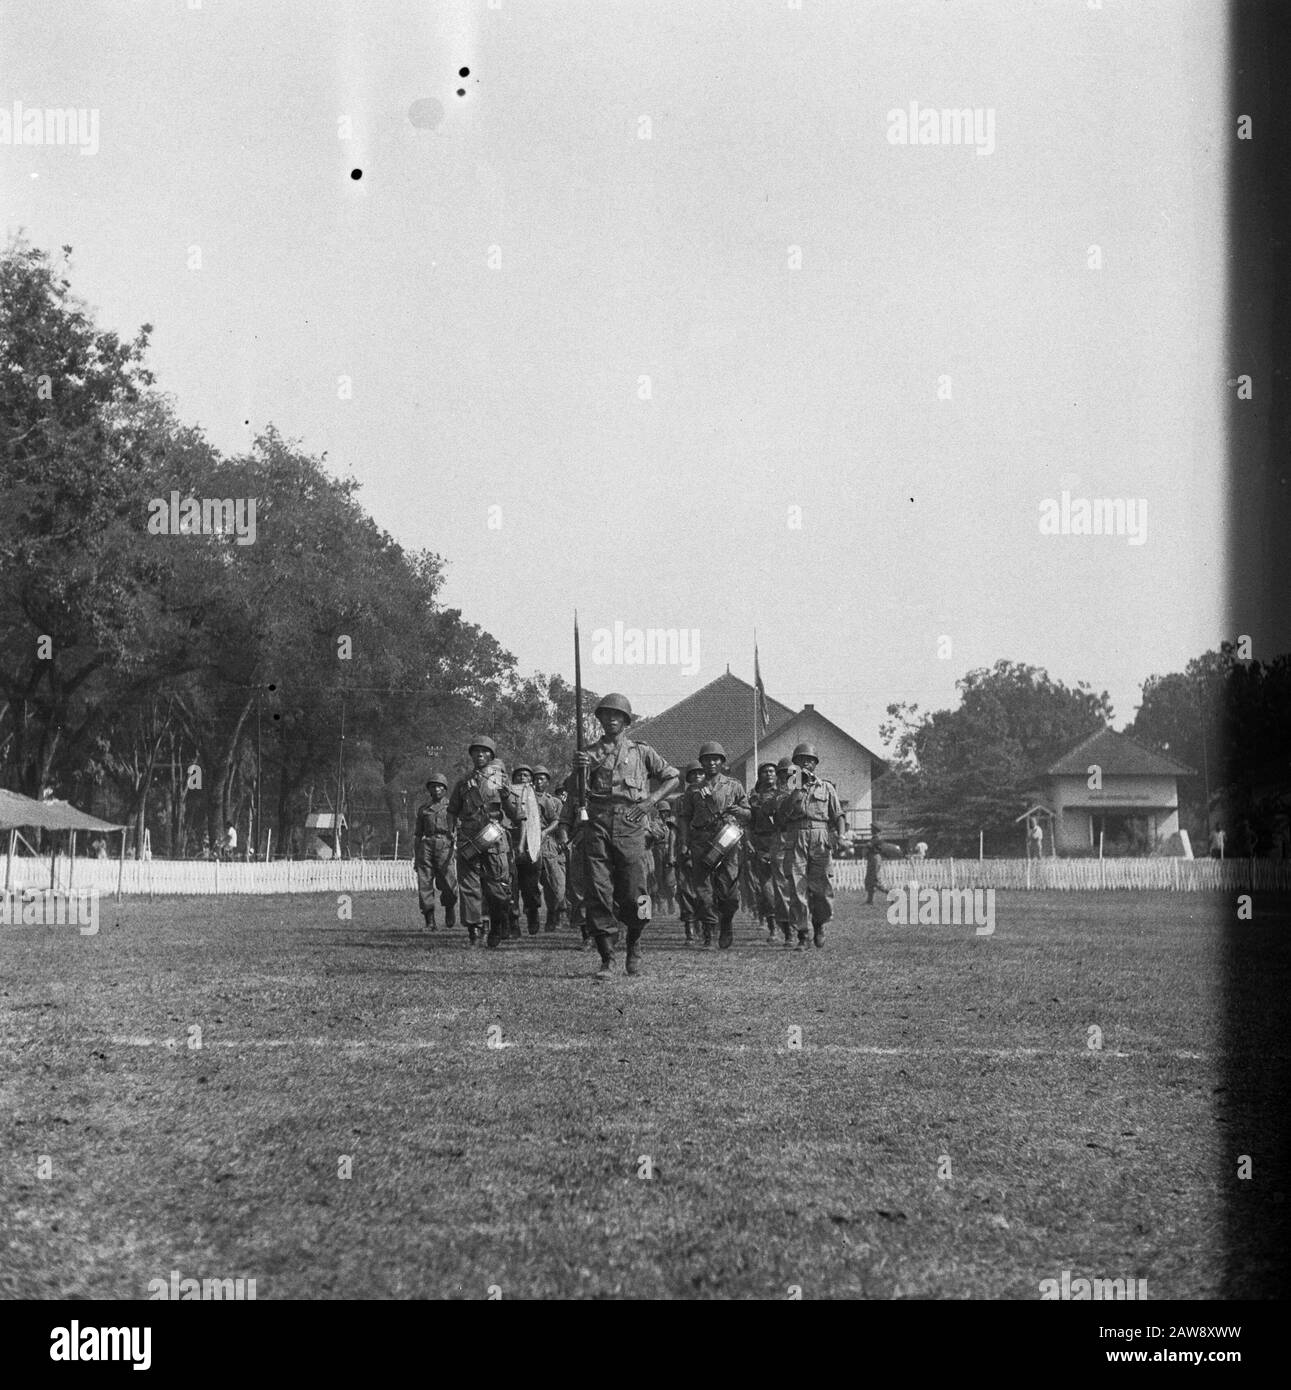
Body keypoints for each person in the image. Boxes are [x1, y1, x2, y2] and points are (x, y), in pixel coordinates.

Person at [563, 692, 680, 977]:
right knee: (598, 891)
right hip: (599, 823)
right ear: (600, 720)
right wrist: (578, 770)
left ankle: (635, 942)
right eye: (606, 715)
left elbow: (673, 777)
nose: (612, 719)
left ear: (626, 721)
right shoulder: (588, 754)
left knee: (636, 892)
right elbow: (573, 791)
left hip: (631, 823)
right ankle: (607, 958)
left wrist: (648, 803)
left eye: (618, 715)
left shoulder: (641, 752)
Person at [447, 736, 524, 948]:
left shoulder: (500, 780)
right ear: (471, 755)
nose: (480, 754)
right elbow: (452, 810)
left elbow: (515, 813)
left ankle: (498, 924)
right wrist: (451, 830)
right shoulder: (463, 782)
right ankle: (475, 930)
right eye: (476, 751)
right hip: (469, 839)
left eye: (484, 751)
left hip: (493, 838)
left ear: (491, 755)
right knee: (469, 886)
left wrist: (507, 796)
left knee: (497, 888)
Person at [676, 742, 752, 949]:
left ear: (722, 762)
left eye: (715, 759)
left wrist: (739, 811)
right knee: (703, 890)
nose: (711, 763)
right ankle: (709, 933)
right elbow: (684, 818)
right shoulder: (693, 791)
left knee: (728, 891)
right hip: (701, 840)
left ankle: (726, 922)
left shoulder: (734, 785)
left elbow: (748, 813)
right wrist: (683, 842)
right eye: (707, 759)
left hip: (727, 839)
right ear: (701, 762)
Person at [778, 743, 846, 948]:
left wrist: (841, 836)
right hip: (796, 835)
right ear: (795, 764)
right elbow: (781, 816)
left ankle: (819, 925)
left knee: (821, 887)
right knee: (797, 886)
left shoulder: (826, 787)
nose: (805, 763)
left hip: (820, 836)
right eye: (800, 760)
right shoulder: (787, 786)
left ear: (815, 763)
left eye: (810, 760)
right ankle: (802, 934)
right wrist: (796, 789)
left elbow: (839, 815)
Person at [413, 774, 457, 932]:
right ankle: (430, 921)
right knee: (424, 884)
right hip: (427, 845)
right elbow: (418, 834)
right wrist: (416, 856)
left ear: (445, 789)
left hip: (445, 845)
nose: (436, 789)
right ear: (429, 789)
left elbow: (459, 827)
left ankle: (450, 906)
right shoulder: (423, 809)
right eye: (433, 786)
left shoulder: (452, 807)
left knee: (449, 883)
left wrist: (455, 838)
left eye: (440, 786)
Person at [747, 759, 783, 943]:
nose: (769, 774)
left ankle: (791, 926)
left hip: (783, 843)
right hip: (762, 843)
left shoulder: (784, 795)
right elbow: (748, 824)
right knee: (766, 889)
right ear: (759, 776)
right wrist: (751, 844)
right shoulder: (754, 799)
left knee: (785, 886)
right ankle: (772, 927)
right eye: (765, 771)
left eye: (772, 771)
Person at [508, 763, 544, 935]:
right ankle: (513, 921)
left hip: (532, 846)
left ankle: (532, 913)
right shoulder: (507, 795)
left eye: (526, 775)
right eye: (519, 775)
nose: (522, 778)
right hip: (510, 845)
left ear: (532, 779)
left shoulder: (539, 797)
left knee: (530, 887)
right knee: (510, 886)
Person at [532, 766, 567, 931]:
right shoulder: (526, 798)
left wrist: (561, 842)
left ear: (547, 782)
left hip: (548, 845)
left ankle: (555, 915)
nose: (538, 782)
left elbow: (560, 823)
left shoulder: (554, 801)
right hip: (528, 845)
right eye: (536, 778)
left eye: (542, 779)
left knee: (554, 882)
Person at [674, 762, 704, 943]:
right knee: (685, 889)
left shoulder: (710, 796)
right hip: (686, 846)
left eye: (701, 774)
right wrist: (682, 845)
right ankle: (690, 928)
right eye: (693, 774)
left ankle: (705, 924)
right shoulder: (680, 800)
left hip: (706, 846)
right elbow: (677, 827)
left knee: (706, 888)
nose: (697, 777)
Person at [864, 833, 883, 905]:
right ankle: (870, 900)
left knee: (875, 881)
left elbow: (873, 847)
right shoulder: (873, 839)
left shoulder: (876, 839)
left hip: (874, 859)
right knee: (869, 881)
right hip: (872, 859)